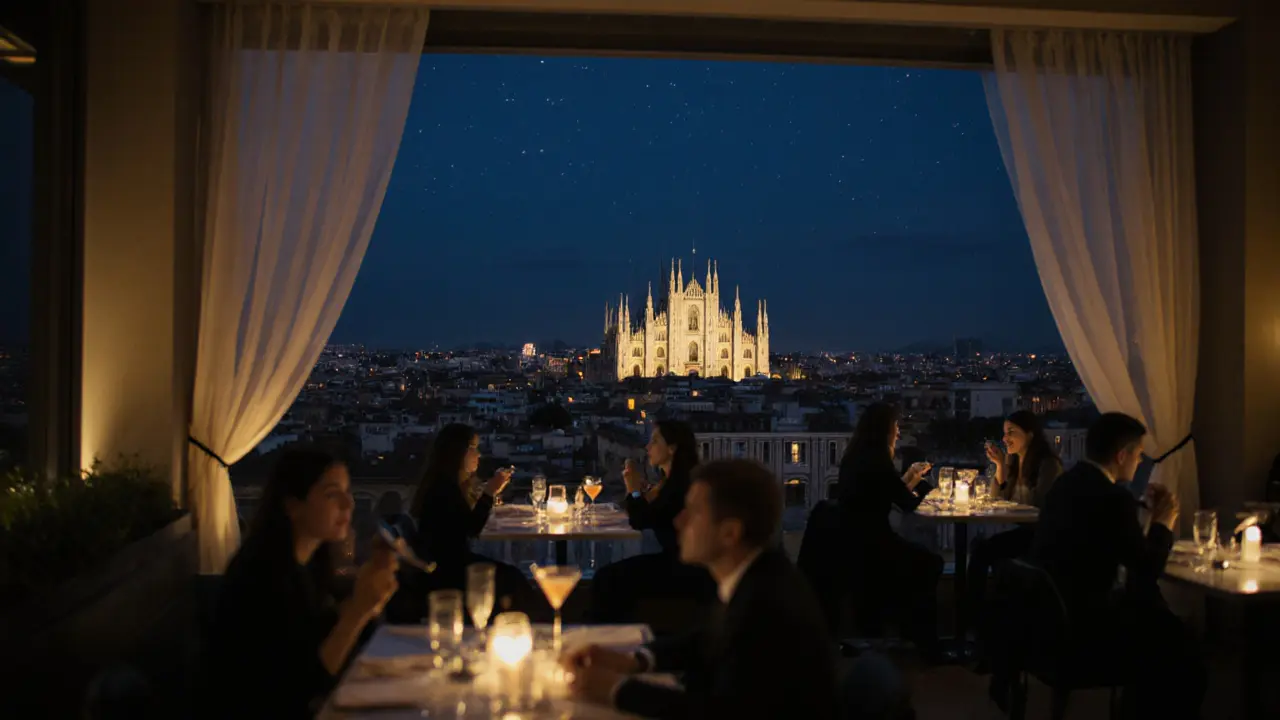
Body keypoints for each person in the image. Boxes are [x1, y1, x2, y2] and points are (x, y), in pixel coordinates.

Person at [565, 459, 837, 719]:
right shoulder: (758, 575)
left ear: (730, 533)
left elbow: (718, 713)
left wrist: (616, 688)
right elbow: (707, 640)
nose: (679, 521)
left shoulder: (766, 606)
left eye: (693, 512)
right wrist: (634, 660)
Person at [1027, 412, 1204, 719]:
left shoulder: (1066, 484)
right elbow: (1146, 570)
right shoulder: (1111, 498)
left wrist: (1145, 516)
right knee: (1183, 648)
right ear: (1121, 456)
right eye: (1137, 455)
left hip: (1049, 623)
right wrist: (1163, 523)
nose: (1139, 462)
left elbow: (1112, 542)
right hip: (1089, 628)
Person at [206, 449, 399, 718]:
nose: (348, 503)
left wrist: (370, 599)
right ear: (293, 506)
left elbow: (328, 637)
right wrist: (358, 610)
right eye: (332, 494)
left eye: (347, 491)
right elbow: (305, 686)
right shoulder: (262, 576)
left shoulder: (310, 564)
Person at [401, 423, 547, 620]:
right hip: (450, 572)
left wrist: (488, 493)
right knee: (514, 579)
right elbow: (471, 528)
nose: (479, 454)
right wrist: (489, 492)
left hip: (446, 565)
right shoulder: (443, 490)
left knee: (514, 576)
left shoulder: (444, 484)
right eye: (474, 448)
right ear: (459, 452)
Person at [837, 403, 940, 659]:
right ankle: (918, 637)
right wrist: (931, 491)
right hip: (875, 545)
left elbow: (888, 490)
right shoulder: (876, 460)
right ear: (883, 430)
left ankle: (909, 634)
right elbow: (905, 503)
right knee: (931, 563)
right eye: (894, 427)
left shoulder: (858, 456)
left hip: (858, 542)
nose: (897, 433)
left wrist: (912, 478)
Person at [589, 420, 714, 624]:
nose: (648, 447)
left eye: (655, 441)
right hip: (684, 564)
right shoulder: (676, 481)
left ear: (672, 448)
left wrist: (633, 488)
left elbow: (640, 519)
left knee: (606, 579)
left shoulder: (679, 485)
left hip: (683, 568)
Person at [970, 410, 1061, 666]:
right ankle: (978, 628)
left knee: (984, 552)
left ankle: (978, 628)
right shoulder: (1016, 462)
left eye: (1012, 432)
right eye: (1005, 432)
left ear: (1029, 434)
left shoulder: (1047, 464)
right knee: (981, 549)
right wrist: (1000, 466)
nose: (1005, 438)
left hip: (1041, 537)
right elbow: (998, 498)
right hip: (1025, 532)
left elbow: (1040, 506)